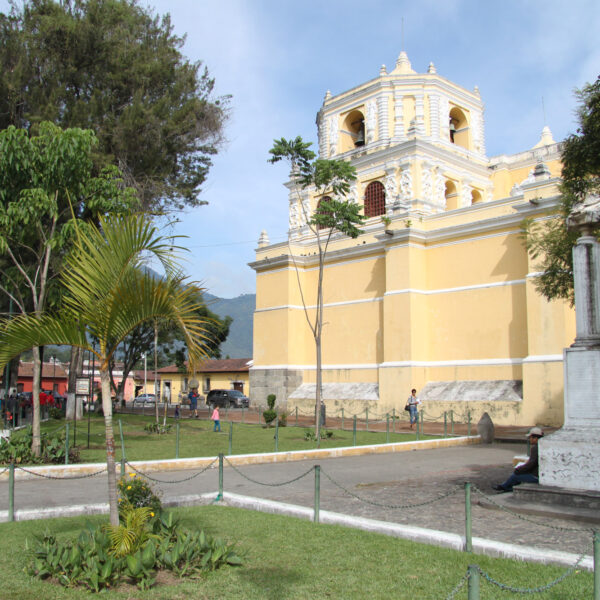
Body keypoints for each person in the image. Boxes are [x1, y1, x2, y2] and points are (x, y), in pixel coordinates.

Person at [493, 427, 544, 492]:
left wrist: (519, 469)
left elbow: (531, 464)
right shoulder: (542, 446)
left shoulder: (535, 448)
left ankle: (504, 487)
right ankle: (507, 487)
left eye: (530, 437)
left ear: (535, 438)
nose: (529, 439)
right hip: (538, 474)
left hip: (536, 476)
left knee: (515, 476)